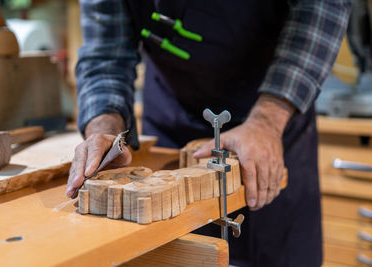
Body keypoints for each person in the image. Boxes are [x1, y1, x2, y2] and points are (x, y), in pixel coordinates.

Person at [66, 1, 351, 266]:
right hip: (172, 114)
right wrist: (105, 127)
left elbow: (323, 6)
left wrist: (268, 119)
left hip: (273, 113)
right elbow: (105, 53)